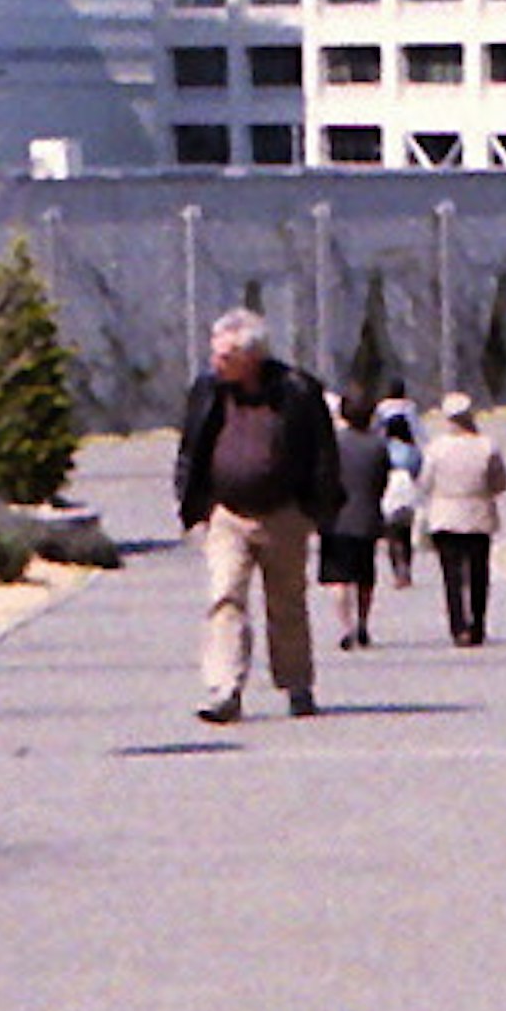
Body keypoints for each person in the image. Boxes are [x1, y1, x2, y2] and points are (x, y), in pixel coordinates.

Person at [170, 307, 340, 724]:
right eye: (215, 354)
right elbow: (191, 448)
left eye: (226, 356)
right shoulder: (209, 391)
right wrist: (192, 505)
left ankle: (296, 683)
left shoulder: (297, 391)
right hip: (227, 514)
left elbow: (322, 452)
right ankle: (225, 688)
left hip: (284, 513)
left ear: (252, 356)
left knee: (287, 603)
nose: (216, 362)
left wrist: (316, 509)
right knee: (225, 596)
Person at [420, 389, 506, 650]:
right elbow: (500, 482)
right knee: (479, 571)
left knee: (452, 575)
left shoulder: (436, 448)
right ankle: (478, 624)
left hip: (445, 514)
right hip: (478, 512)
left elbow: (425, 482)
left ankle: (458, 626)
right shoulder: (487, 446)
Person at [322, 383, 393, 652]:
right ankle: (363, 622)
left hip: (335, 519)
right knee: (365, 576)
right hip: (367, 516)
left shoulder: (332, 444)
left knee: (339, 579)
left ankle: (346, 627)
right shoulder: (378, 445)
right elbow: (382, 479)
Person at [375, 387, 423, 591]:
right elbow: (419, 470)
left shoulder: (382, 448)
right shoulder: (412, 450)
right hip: (409, 490)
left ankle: (398, 570)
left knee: (392, 534)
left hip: (389, 488)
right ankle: (408, 569)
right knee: (406, 531)